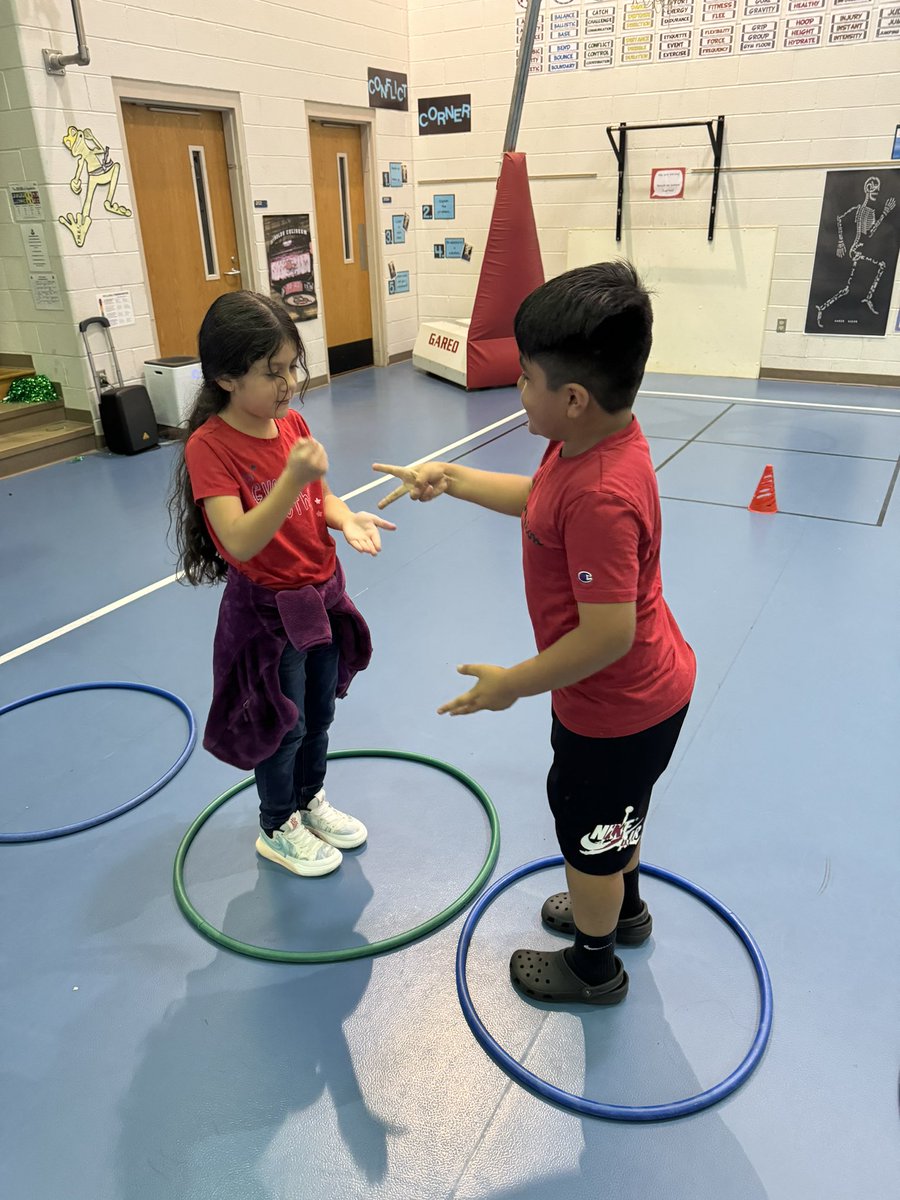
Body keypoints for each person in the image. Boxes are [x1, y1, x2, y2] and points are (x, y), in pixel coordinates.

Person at [373, 262, 695, 1005]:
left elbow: (608, 634)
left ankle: (594, 964)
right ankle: (627, 910)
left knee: (588, 837)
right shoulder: (584, 447)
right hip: (635, 695)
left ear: (573, 398)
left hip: (618, 706)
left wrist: (512, 684)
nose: (518, 391)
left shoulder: (603, 493)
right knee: (616, 820)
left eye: (526, 379)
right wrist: (450, 478)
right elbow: (536, 502)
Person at [169, 290, 395, 877]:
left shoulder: (289, 421)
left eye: (291, 366)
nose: (288, 383)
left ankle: (309, 798)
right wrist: (294, 479)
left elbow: (320, 497)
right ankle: (277, 824)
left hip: (319, 594)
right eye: (272, 373)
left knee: (319, 713)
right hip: (269, 611)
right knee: (282, 723)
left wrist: (345, 518)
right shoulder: (209, 447)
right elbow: (240, 540)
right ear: (224, 377)